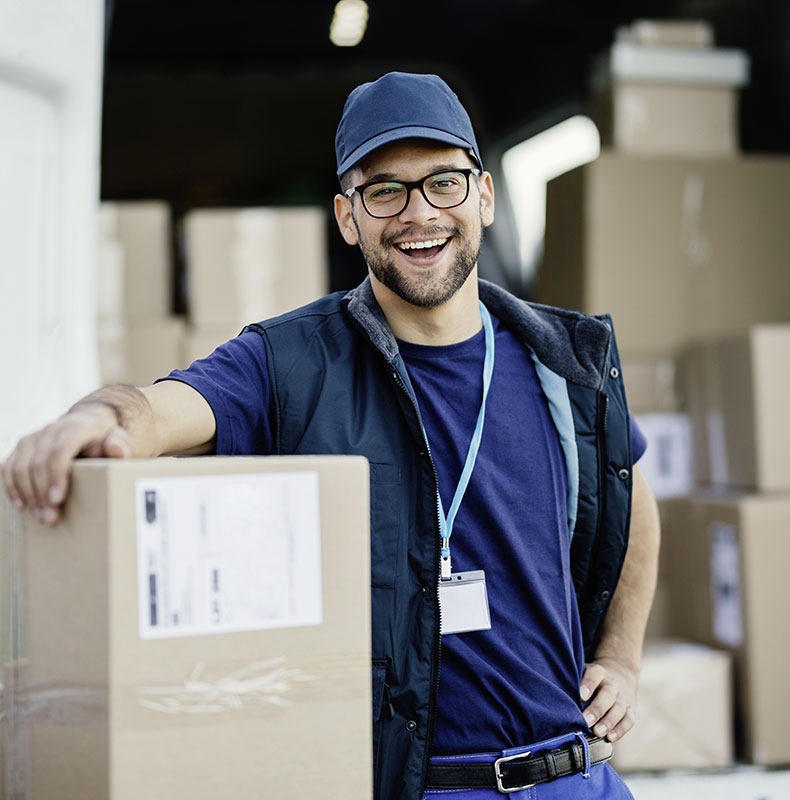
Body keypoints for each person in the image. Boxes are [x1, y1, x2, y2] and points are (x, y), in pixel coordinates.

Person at [3, 72, 659, 799]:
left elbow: (635, 501)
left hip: (580, 777)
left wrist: (623, 658)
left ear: (484, 197)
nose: (418, 215)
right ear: (348, 217)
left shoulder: (562, 364)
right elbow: (155, 412)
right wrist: (94, 418)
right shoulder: (290, 364)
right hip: (426, 787)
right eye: (385, 191)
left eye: (443, 182)